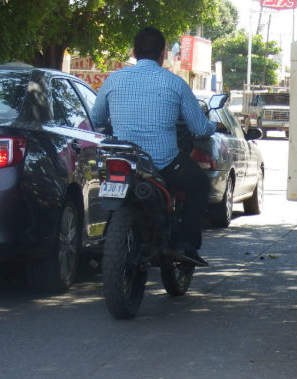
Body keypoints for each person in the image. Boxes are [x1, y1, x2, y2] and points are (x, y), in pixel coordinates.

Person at [91, 26, 227, 266]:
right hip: (164, 163)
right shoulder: (175, 83)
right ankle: (186, 244)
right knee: (199, 184)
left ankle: (104, 239)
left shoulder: (113, 79)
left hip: (124, 160)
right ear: (163, 53)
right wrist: (214, 127)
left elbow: (97, 120)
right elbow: (198, 128)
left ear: (134, 52)